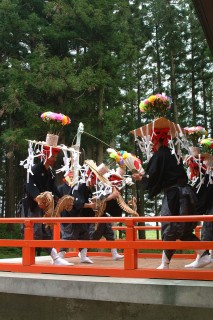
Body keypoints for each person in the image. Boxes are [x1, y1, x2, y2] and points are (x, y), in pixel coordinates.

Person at [132, 125, 206, 269]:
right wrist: (145, 177)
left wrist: (142, 178)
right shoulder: (174, 153)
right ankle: (203, 254)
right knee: (183, 229)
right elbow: (159, 175)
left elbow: (153, 177)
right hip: (185, 194)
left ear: (155, 140)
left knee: (169, 226)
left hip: (175, 195)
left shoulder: (160, 155)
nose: (151, 145)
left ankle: (165, 263)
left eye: (152, 141)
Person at [24, 145, 73, 266]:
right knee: (36, 233)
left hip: (45, 206)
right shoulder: (34, 169)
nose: (54, 159)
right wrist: (38, 199)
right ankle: (51, 258)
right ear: (45, 156)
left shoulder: (50, 172)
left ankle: (54, 258)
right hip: (33, 206)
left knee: (45, 232)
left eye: (55, 157)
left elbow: (53, 189)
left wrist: (61, 199)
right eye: (52, 156)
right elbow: (29, 186)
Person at [57, 171, 96, 264]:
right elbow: (77, 203)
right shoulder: (76, 186)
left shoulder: (85, 187)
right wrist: (90, 205)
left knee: (84, 234)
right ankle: (59, 256)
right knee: (68, 235)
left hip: (80, 215)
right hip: (69, 215)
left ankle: (83, 256)